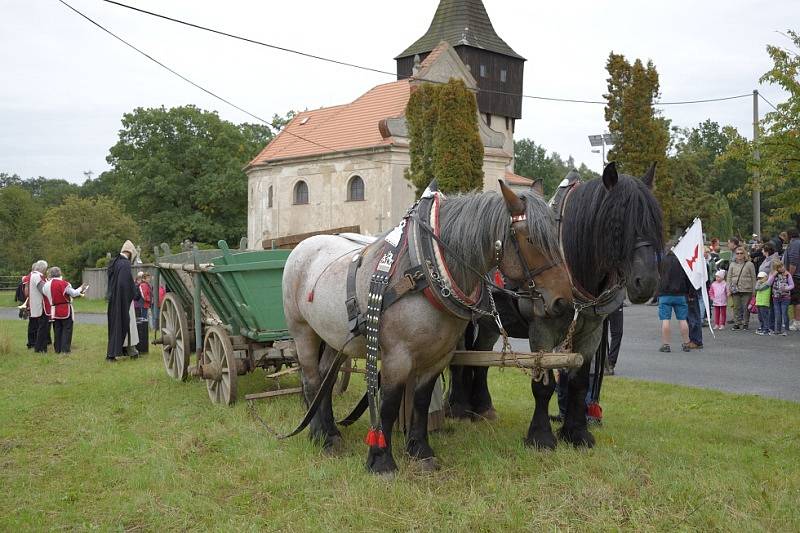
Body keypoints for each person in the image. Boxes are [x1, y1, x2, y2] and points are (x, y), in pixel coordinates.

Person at [107, 240, 140, 361]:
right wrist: (134, 293)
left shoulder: (114, 262)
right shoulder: (125, 264)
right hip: (123, 300)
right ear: (131, 253)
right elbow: (125, 284)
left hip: (114, 299)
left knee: (115, 326)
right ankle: (132, 352)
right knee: (128, 325)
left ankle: (113, 353)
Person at [42, 266, 86, 353]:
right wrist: (81, 288)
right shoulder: (64, 283)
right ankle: (65, 350)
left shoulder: (46, 285)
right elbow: (73, 293)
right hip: (65, 308)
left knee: (57, 330)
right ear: (60, 273)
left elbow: (45, 293)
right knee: (67, 329)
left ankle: (57, 349)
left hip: (54, 309)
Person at [657, 249, 693, 352]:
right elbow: (688, 278)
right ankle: (686, 343)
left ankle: (666, 345)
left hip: (665, 294)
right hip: (680, 293)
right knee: (682, 320)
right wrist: (689, 292)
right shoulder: (682, 261)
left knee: (665, 320)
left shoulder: (661, 261)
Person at [726, 246, 756, 330]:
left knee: (746, 307)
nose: (739, 255)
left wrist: (754, 291)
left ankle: (745, 323)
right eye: (737, 253)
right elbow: (729, 277)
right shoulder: (732, 264)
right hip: (735, 289)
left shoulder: (750, 264)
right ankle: (737, 323)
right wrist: (728, 289)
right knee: (736, 307)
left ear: (744, 254)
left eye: (741, 253)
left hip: (747, 288)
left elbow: (753, 277)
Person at [27, 260, 50, 353]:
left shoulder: (34, 275)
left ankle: (40, 347)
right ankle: (40, 348)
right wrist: (51, 285)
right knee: (43, 327)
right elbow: (43, 289)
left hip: (39, 304)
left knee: (41, 327)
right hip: (41, 305)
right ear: (43, 268)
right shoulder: (37, 276)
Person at [769, 260, 795, 336]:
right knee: (778, 314)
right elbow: (768, 283)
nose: (782, 268)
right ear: (775, 269)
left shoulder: (787, 274)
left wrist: (786, 288)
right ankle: (778, 330)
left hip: (785, 297)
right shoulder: (773, 274)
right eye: (779, 267)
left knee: (784, 313)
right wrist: (773, 275)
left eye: (782, 266)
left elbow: (792, 285)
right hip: (776, 297)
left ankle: (786, 328)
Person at [783, 228, 800, 331]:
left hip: (796, 276)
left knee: (796, 300)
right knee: (795, 300)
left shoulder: (794, 244)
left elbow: (793, 262)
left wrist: (789, 276)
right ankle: (795, 320)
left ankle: (797, 321)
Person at [605, 305, 623, 374]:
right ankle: (604, 363)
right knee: (602, 333)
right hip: (601, 302)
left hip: (616, 301)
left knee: (618, 333)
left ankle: (611, 363)